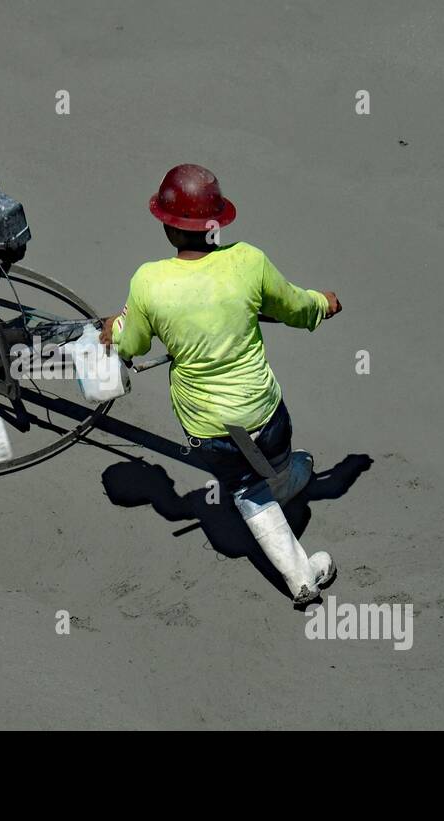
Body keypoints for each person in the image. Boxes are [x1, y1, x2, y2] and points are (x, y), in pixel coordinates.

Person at [100, 164, 343, 604]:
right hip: (264, 414)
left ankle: (300, 578)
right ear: (216, 223)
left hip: (210, 432)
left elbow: (131, 342)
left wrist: (114, 328)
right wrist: (322, 305)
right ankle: (294, 531)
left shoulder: (148, 282)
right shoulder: (248, 260)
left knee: (248, 491)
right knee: (280, 459)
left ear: (169, 228)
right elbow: (293, 307)